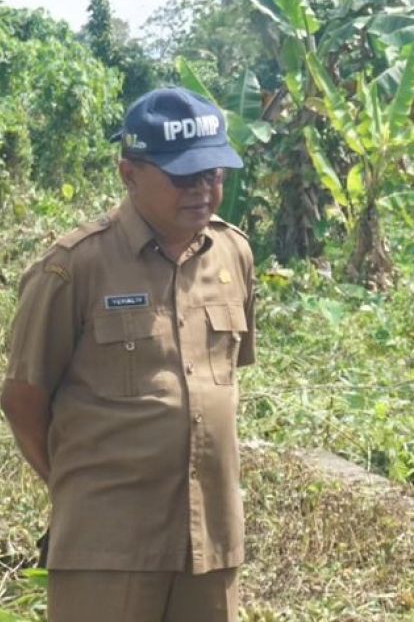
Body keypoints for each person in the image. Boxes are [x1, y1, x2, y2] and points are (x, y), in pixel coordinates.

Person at [1, 87, 253, 622]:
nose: (204, 191)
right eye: (184, 176)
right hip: (107, 546)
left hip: (209, 542)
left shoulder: (233, 253)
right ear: (128, 173)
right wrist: (81, 486)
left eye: (214, 174)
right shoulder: (74, 267)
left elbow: (223, 384)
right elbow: (23, 399)